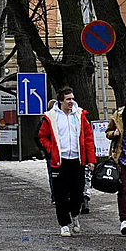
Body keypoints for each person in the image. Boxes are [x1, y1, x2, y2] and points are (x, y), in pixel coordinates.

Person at [38, 87, 96, 237]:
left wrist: (91, 160)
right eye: (68, 99)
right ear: (61, 101)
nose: (71, 101)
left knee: (78, 193)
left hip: (77, 160)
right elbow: (42, 136)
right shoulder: (51, 116)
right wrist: (51, 149)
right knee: (60, 195)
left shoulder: (80, 115)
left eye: (72, 98)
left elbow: (88, 138)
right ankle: (64, 224)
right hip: (60, 161)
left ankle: (75, 214)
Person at [105, 94, 126, 235]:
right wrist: (114, 133)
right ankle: (124, 221)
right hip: (122, 160)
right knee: (123, 190)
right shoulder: (118, 116)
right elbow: (108, 132)